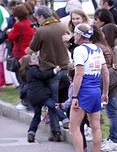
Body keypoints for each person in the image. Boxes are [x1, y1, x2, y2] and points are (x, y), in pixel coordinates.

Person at [61, 23, 109, 152]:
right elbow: (105, 72)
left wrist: (74, 95)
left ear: (79, 35)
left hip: (84, 91)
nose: (73, 36)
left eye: (75, 34)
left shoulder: (79, 50)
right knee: (96, 126)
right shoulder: (97, 48)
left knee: (74, 126)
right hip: (96, 90)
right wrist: (105, 92)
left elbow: (79, 74)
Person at [28, 5, 71, 139]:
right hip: (65, 68)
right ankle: (70, 121)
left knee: (53, 101)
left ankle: (56, 132)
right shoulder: (63, 26)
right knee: (70, 96)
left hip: (50, 69)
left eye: (38, 18)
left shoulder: (41, 31)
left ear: (41, 17)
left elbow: (33, 47)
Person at [19, 54, 62, 143]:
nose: (35, 59)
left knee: (37, 116)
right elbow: (43, 75)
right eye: (33, 59)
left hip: (33, 98)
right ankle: (65, 120)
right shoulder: (34, 69)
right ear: (30, 63)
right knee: (53, 106)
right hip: (41, 95)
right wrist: (54, 70)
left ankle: (31, 132)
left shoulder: (29, 72)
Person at [57, 68, 91, 152]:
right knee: (80, 129)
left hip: (76, 108)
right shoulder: (83, 84)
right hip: (84, 107)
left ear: (69, 76)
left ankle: (82, 151)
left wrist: (62, 106)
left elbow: (71, 99)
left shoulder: (73, 86)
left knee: (77, 130)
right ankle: (83, 151)